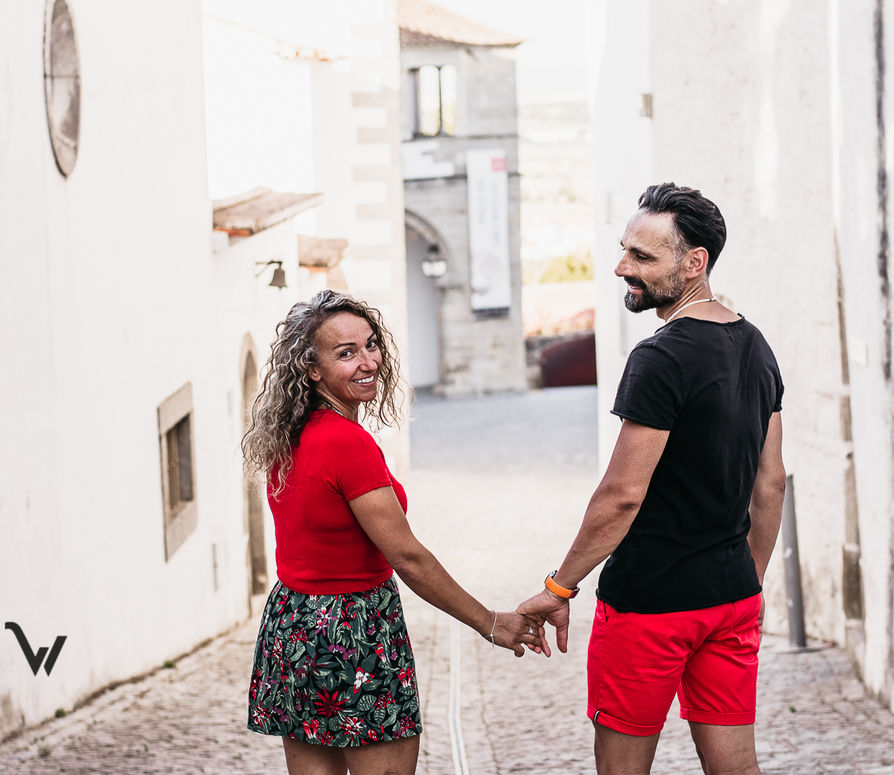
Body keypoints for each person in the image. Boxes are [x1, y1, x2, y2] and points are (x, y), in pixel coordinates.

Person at [518, 183, 786, 775]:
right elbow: (772, 484)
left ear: (695, 263)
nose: (622, 267)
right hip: (730, 599)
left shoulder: (661, 356)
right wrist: (749, 579)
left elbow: (621, 495)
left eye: (642, 257)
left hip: (650, 604)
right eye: (625, 251)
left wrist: (559, 588)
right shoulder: (755, 345)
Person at [242, 290, 547, 775]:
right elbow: (408, 558)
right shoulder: (347, 444)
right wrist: (490, 622)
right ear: (312, 369)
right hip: (352, 629)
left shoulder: (292, 433)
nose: (368, 362)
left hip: (293, 626)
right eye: (346, 353)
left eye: (370, 345)